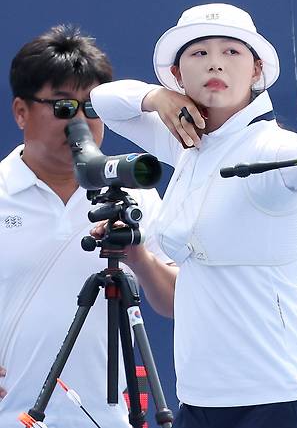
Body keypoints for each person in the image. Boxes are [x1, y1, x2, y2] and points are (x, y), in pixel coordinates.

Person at [90, 3, 297, 428]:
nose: (215, 62)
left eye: (232, 53)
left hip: (279, 398)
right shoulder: (184, 143)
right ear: (178, 74)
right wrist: (156, 96)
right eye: (198, 53)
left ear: (256, 71)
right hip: (200, 398)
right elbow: (100, 102)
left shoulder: (269, 149)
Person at [0, 25, 169, 428]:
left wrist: (137, 256)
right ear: (21, 111)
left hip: (107, 418)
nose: (79, 121)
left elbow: (175, 301)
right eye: (62, 107)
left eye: (91, 107)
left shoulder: (134, 195)